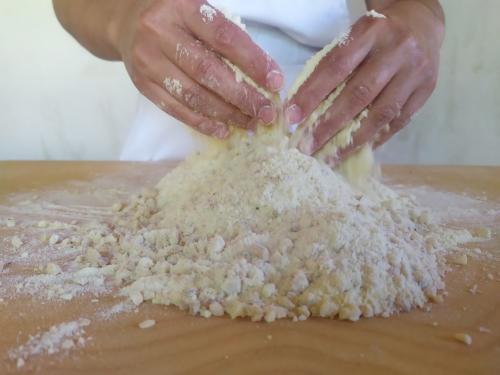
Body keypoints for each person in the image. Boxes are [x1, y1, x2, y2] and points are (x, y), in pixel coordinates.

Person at [53, 0, 444, 162]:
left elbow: (411, 4)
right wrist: (123, 19)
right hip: (171, 145)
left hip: (324, 146)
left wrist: (421, 24)